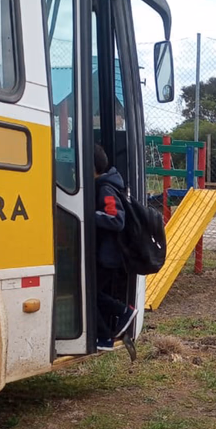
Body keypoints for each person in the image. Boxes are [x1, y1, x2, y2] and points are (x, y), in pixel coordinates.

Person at [94, 143, 137, 351]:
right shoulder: (104, 185)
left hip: (108, 255)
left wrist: (88, 215)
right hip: (104, 253)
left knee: (90, 294)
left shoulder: (105, 188)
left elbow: (116, 219)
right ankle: (107, 331)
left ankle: (116, 321)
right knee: (93, 293)